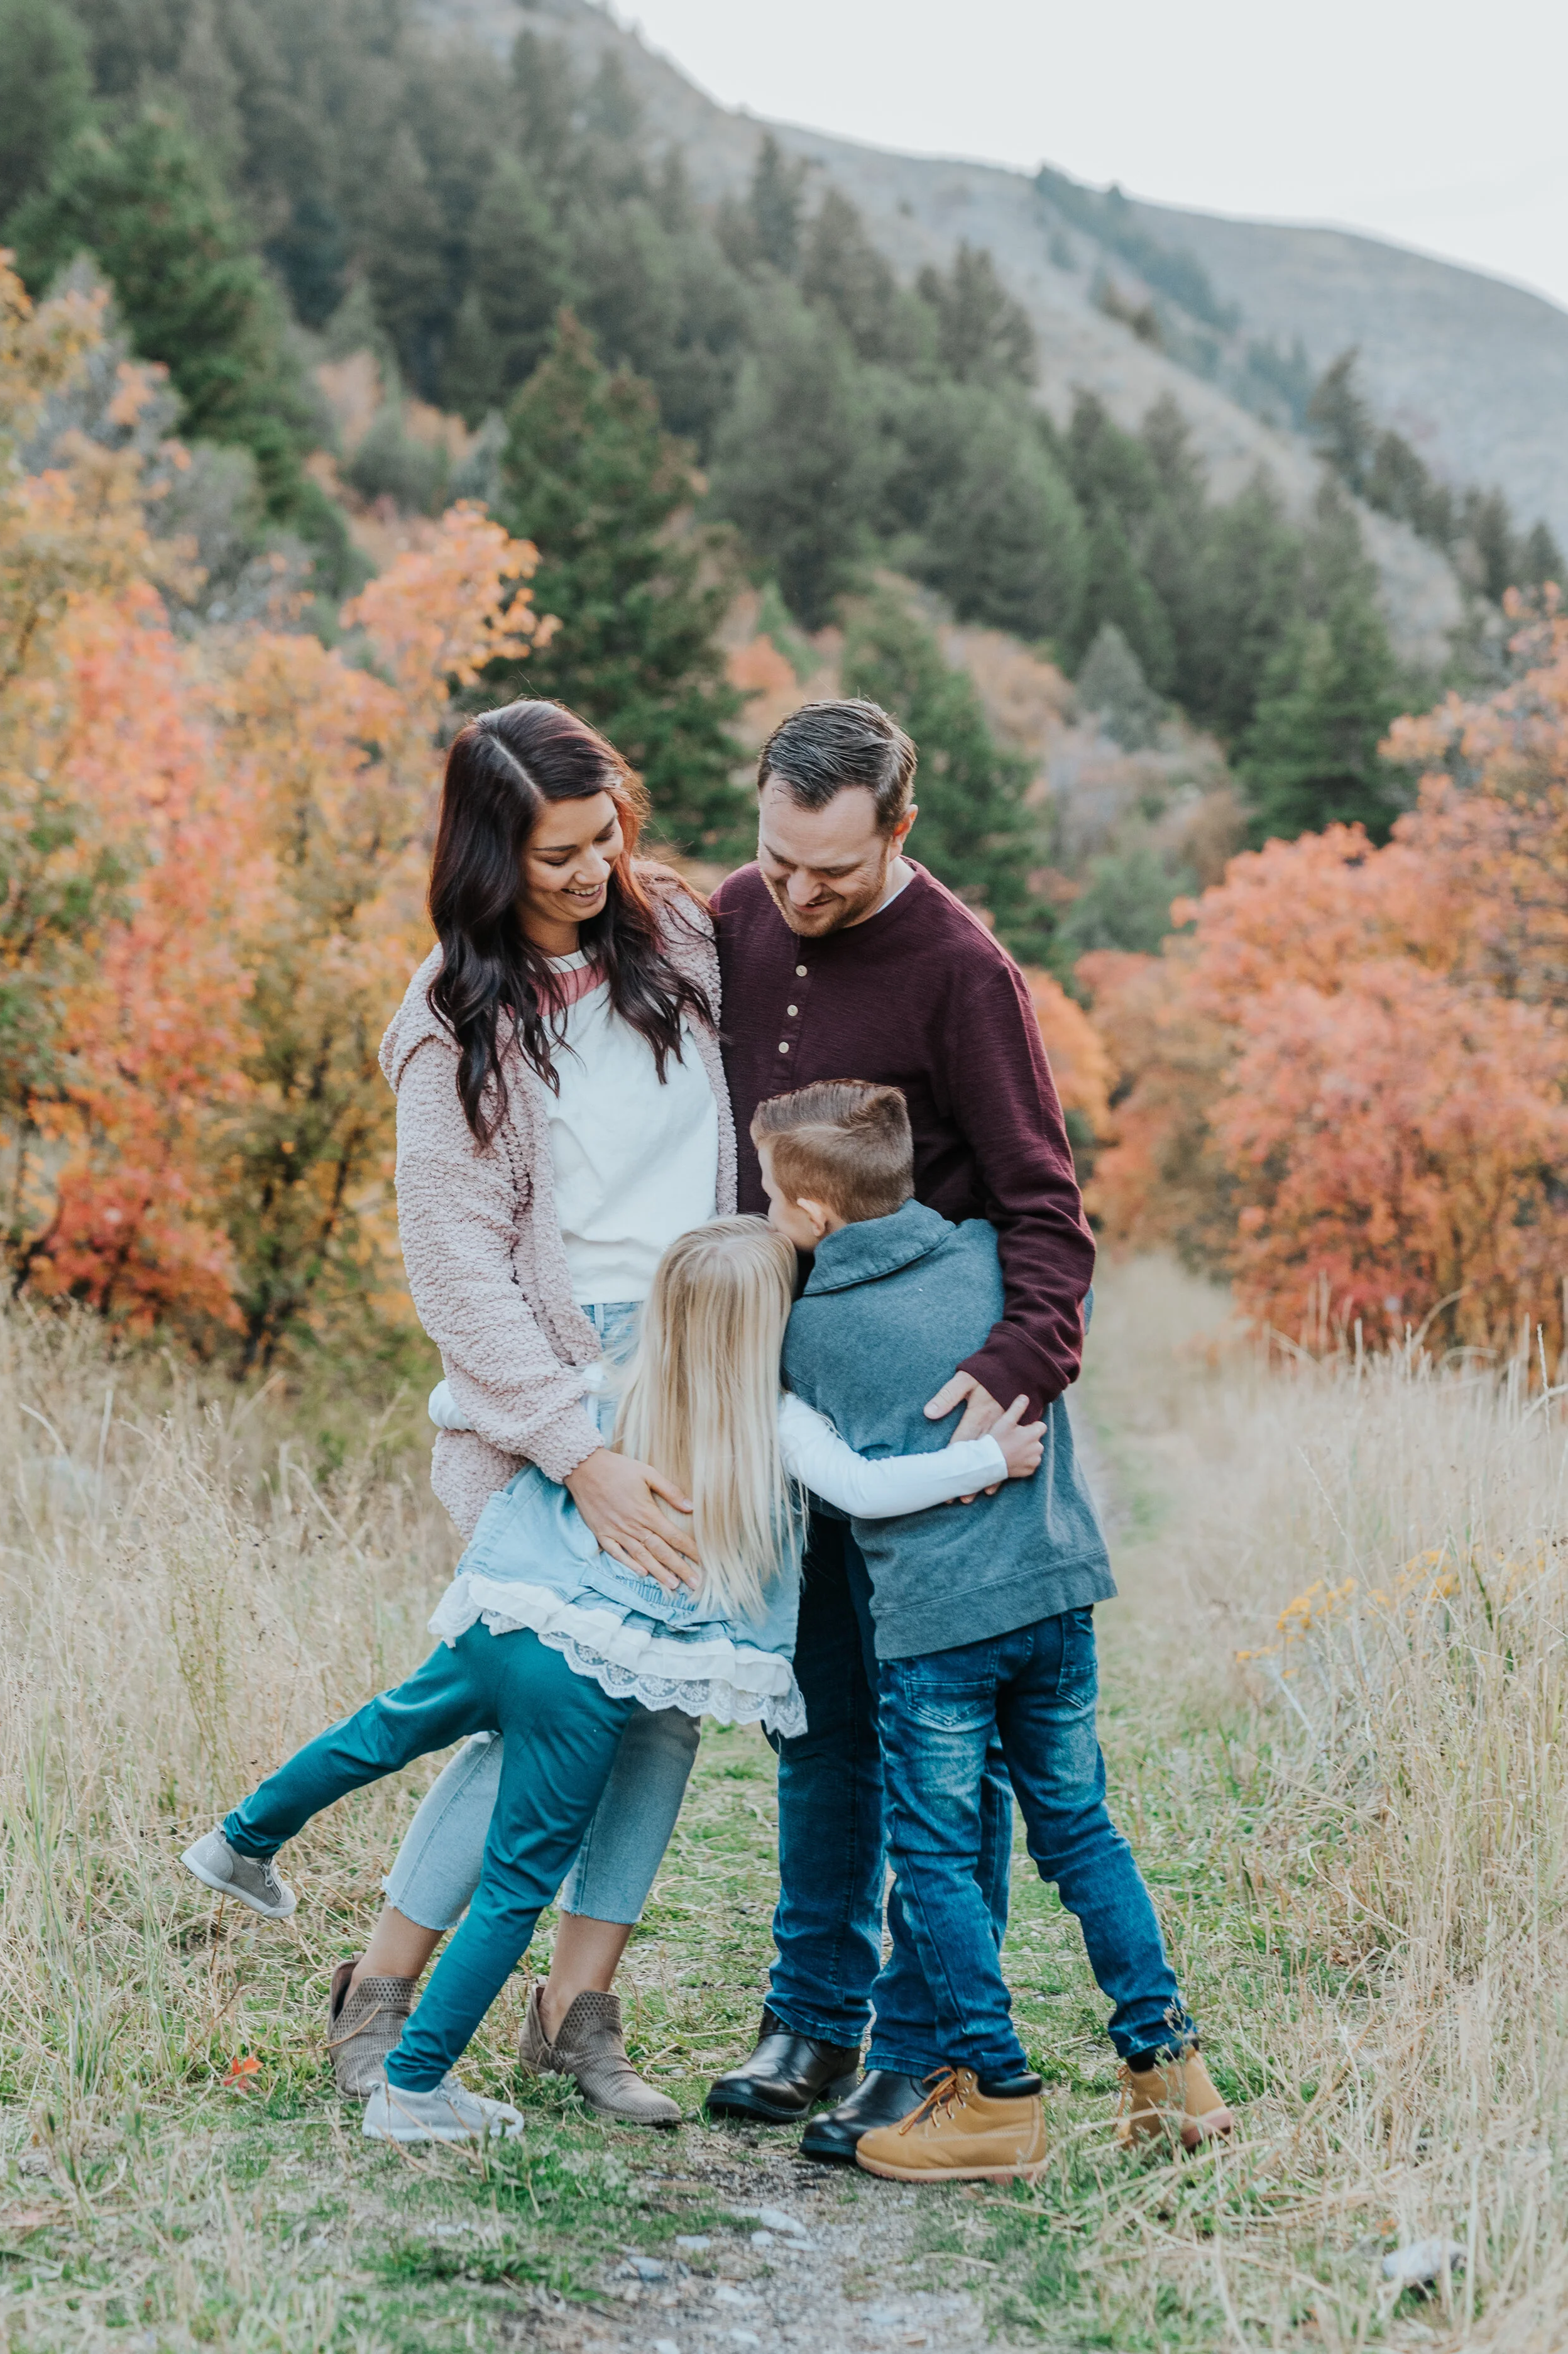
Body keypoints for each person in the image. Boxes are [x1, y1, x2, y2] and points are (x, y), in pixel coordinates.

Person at [180, 1218, 1046, 2143]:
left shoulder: (604, 1383)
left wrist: (460, 1414)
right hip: (582, 1680)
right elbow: (869, 1489)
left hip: (501, 1619)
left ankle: (239, 1842)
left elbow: (459, 1404)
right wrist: (991, 1458)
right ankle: (415, 2087)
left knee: (379, 1734)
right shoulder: (777, 1421)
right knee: (516, 1886)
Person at [321, 696, 731, 2127]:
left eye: (603, 836)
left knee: (663, 1707)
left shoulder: (679, 940)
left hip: (704, 1370)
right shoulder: (452, 1021)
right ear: (491, 857)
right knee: (542, 1701)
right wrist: (582, 1452)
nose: (589, 871)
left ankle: (575, 2018)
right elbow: (457, 1275)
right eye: (556, 853)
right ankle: (378, 2000)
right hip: (545, 1393)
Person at [705, 698, 1100, 2161]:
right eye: (777, 862)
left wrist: (1021, 1360)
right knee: (813, 1718)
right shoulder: (733, 915)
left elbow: (1044, 1208)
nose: (796, 899)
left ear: (899, 832)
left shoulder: (961, 972)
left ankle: (925, 2045)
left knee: (935, 1740)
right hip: (788, 1396)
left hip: (932, 1415)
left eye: (833, 875)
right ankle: (809, 2016)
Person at [751, 1081, 1233, 2181]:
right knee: (1080, 1833)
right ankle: (1167, 2071)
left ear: (817, 1214)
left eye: (775, 1198)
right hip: (1057, 1602)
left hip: (936, 1634)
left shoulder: (809, 1332)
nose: (772, 1216)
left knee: (936, 1854)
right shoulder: (996, 1261)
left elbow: (832, 1489)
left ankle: (993, 2091)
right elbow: (1073, 1319)